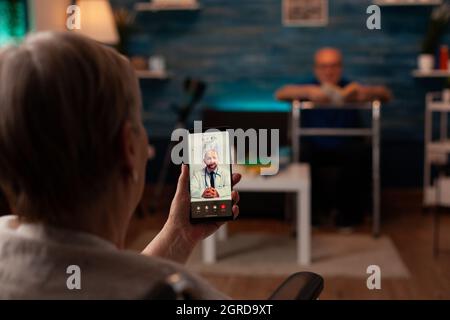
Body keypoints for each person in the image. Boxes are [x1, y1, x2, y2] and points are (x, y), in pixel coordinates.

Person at [0, 31, 241, 299]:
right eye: (140, 124)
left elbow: (103, 280)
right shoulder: (182, 294)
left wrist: (178, 235)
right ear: (128, 146)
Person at [275, 48, 391, 230]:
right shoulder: (309, 85)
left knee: (359, 152)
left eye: (333, 66)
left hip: (346, 147)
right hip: (313, 146)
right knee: (302, 153)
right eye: (323, 66)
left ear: (341, 68)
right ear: (316, 69)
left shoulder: (349, 86)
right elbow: (281, 93)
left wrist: (363, 93)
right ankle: (311, 217)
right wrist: (309, 92)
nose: (328, 72)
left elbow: (385, 94)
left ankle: (348, 218)